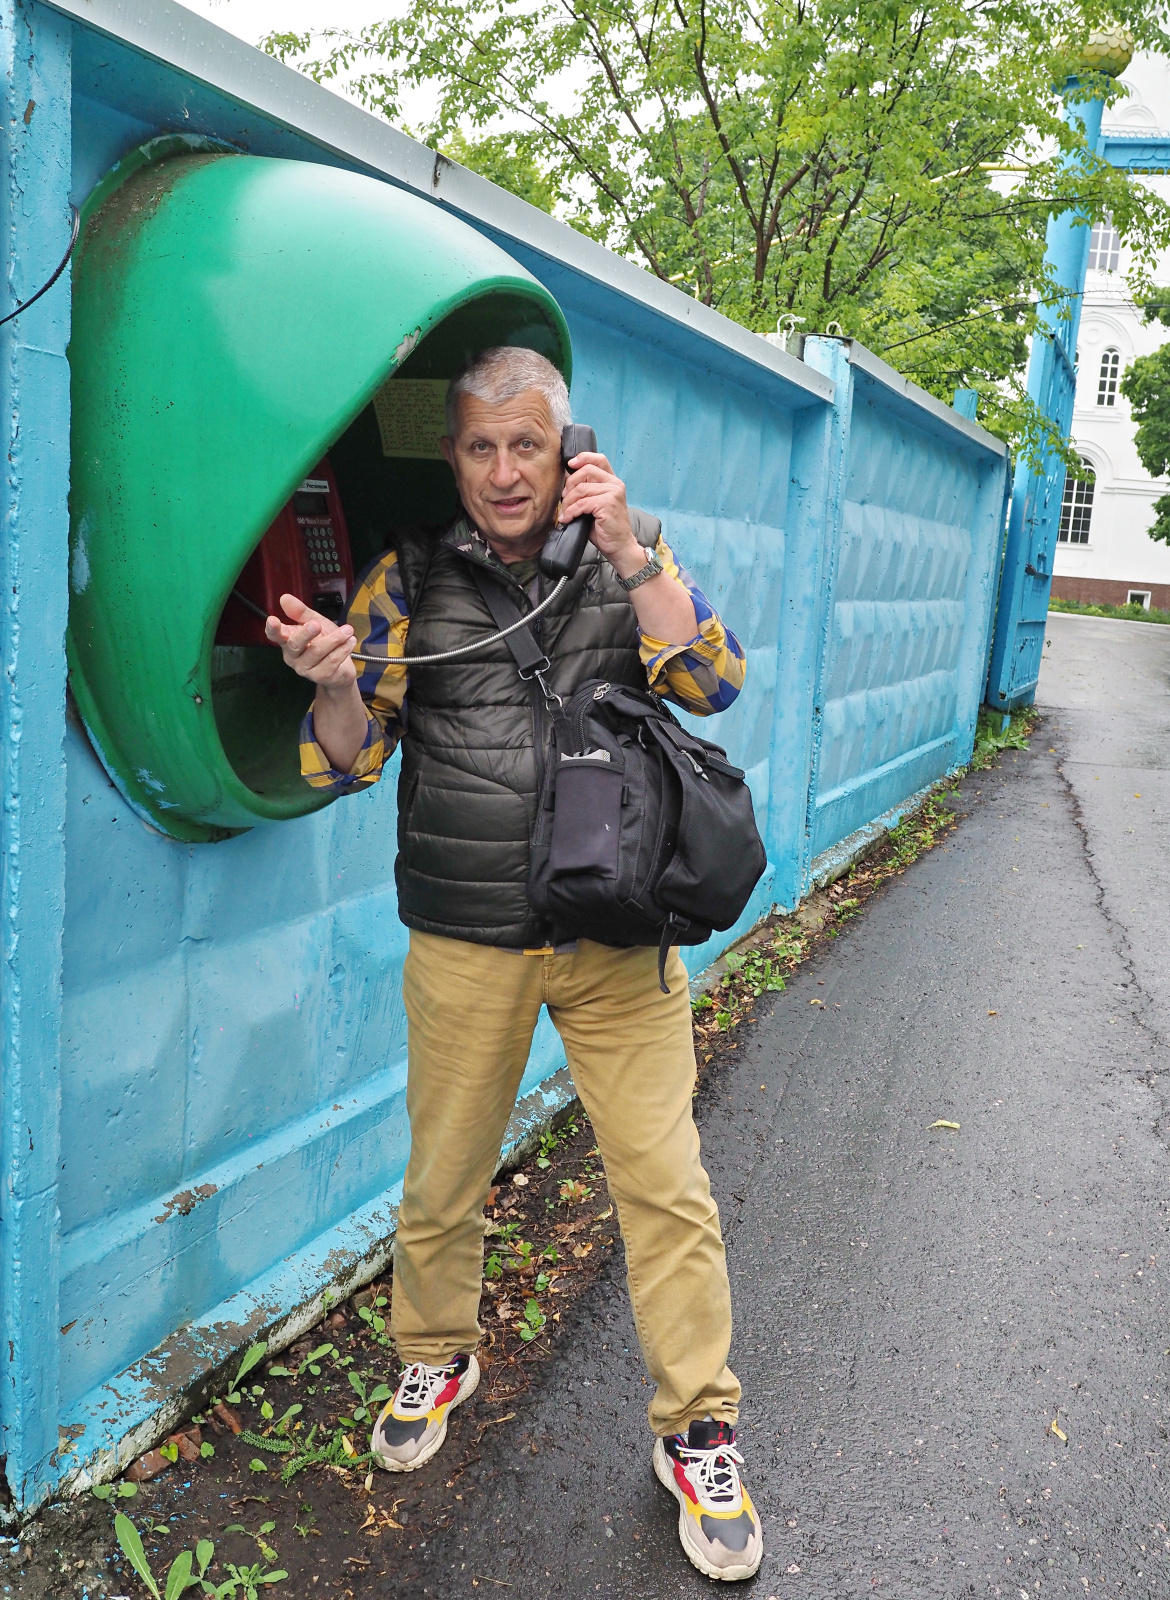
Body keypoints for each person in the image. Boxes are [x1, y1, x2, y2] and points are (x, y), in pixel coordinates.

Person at [266, 346, 762, 1581]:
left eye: (526, 444)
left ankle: (698, 1426)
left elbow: (713, 680)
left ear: (567, 448)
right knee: (444, 1175)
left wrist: (629, 549)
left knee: (666, 1185)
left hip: (616, 936)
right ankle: (436, 1354)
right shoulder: (407, 578)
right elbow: (343, 759)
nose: (503, 471)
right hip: (466, 934)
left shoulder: (624, 549)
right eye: (481, 447)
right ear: (453, 458)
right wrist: (333, 682)